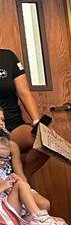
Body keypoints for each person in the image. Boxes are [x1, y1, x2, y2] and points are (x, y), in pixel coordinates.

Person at [0, 47, 49, 176]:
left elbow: (24, 92)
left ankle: (22, 181)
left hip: (12, 125)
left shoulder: (8, 56)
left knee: (43, 140)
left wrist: (37, 121)